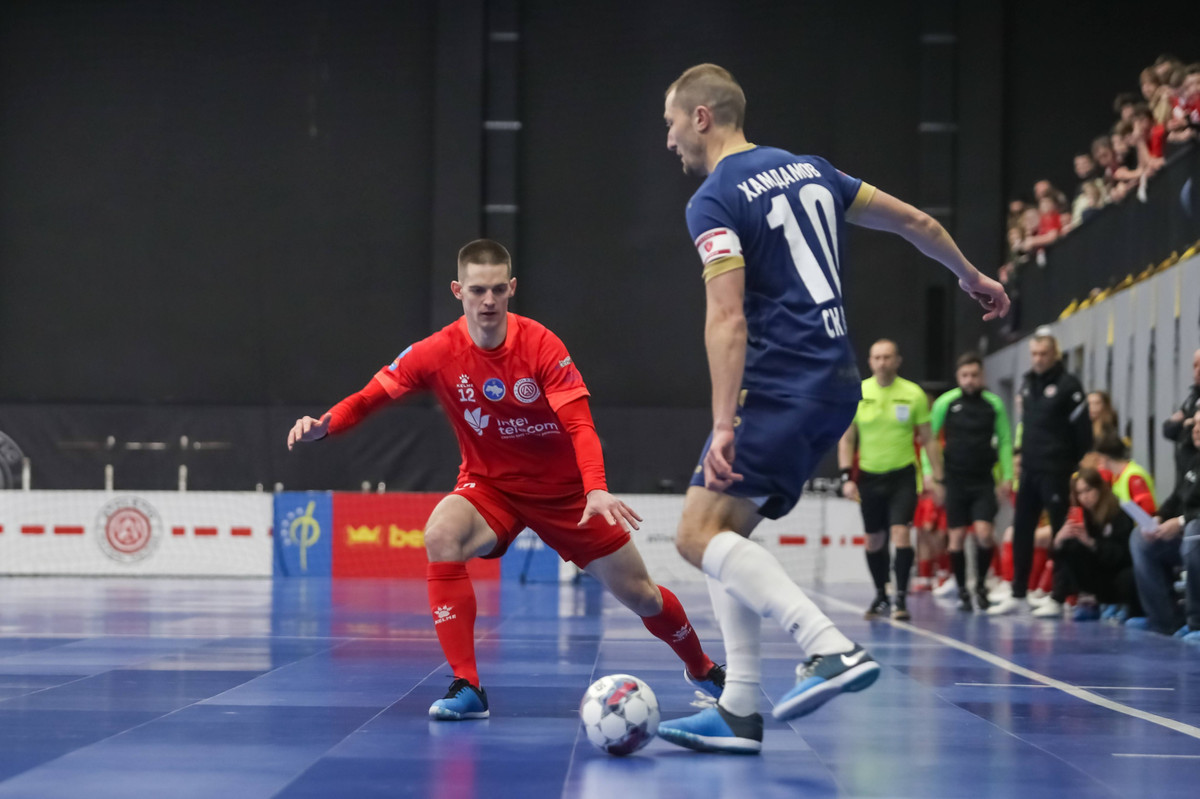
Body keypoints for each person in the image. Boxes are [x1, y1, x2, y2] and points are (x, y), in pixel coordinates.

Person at [655, 63, 1008, 753]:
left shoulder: (714, 198)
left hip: (781, 381)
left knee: (696, 533)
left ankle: (828, 648)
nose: (668, 140)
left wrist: (725, 421)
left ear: (701, 116)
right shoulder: (812, 169)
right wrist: (970, 275)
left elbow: (726, 318)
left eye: (670, 123)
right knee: (725, 529)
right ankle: (739, 708)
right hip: (837, 381)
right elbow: (914, 220)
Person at [287, 239, 725, 720]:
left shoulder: (542, 345)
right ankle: (467, 686)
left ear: (512, 287)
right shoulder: (436, 352)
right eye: (478, 290)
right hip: (490, 488)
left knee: (641, 594)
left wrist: (596, 487)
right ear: (458, 291)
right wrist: (328, 423)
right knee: (440, 534)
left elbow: (580, 424)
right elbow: (371, 396)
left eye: (498, 289)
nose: (489, 301)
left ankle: (702, 668)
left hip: (566, 497)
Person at [839, 340, 943, 621]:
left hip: (903, 476)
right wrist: (847, 476)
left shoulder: (913, 394)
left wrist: (937, 476)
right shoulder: (859, 391)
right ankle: (880, 595)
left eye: (887, 357)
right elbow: (847, 437)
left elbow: (929, 439)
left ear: (897, 360)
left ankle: (900, 599)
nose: (882, 362)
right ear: (870, 362)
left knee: (900, 533)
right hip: (870, 477)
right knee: (874, 540)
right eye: (877, 357)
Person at [989, 333, 1092, 615]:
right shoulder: (1027, 383)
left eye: (1043, 354)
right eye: (1034, 354)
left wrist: (1072, 465)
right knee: (1022, 529)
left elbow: (1083, 434)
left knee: (1060, 530)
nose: (1038, 359)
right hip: (1031, 470)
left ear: (1055, 354)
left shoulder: (1069, 386)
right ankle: (1018, 592)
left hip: (1057, 469)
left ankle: (1059, 596)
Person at [930, 353, 1013, 612]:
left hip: (983, 480)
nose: (969, 380)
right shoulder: (946, 403)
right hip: (954, 480)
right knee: (955, 538)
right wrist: (933, 476)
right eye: (965, 376)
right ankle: (963, 589)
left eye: (974, 375)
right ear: (958, 377)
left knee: (984, 533)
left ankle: (981, 585)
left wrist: (1007, 476)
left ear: (982, 376)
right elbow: (930, 440)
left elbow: (1005, 440)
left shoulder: (993, 404)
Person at [1130, 409, 1200, 642]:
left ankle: (1196, 623)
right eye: (1195, 424)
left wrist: (1180, 523)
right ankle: (1165, 620)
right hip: (1187, 530)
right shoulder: (1192, 459)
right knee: (1140, 538)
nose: (1196, 429)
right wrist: (1159, 518)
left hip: (1193, 533)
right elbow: (1178, 497)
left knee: (1193, 533)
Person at [1051, 469, 1139, 622]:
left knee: (1128, 575)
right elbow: (1061, 558)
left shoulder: (1118, 513)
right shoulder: (1080, 515)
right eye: (1079, 493)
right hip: (1096, 578)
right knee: (1071, 548)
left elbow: (1122, 555)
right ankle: (1086, 600)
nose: (1084, 497)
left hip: (1118, 574)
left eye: (1088, 490)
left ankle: (1121, 605)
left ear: (1099, 488)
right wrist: (1059, 539)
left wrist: (1091, 542)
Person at [1162, 348, 1200, 490]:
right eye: (1195, 365)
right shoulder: (1192, 398)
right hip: (1185, 472)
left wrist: (1187, 423)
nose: (1198, 370)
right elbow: (1169, 429)